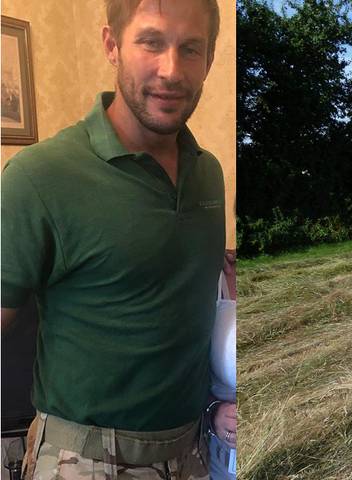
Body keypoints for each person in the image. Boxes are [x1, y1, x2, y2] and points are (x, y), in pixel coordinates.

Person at [0, 1, 231, 478]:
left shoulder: (208, 172)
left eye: (191, 48)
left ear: (209, 59)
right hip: (83, 460)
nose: (171, 70)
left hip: (191, 452)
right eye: (151, 42)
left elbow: (184, 313)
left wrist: (219, 403)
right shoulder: (39, 177)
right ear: (112, 45)